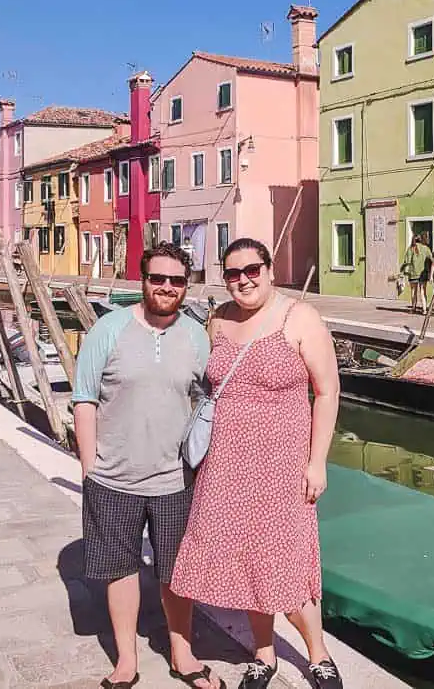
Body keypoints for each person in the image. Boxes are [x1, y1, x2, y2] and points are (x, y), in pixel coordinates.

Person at [172, 238, 343, 689]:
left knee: (285, 559)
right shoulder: (218, 321)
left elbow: (327, 392)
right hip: (225, 464)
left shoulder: (299, 317)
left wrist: (317, 463)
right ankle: (263, 654)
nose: (243, 280)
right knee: (247, 561)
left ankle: (319, 654)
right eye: (232, 273)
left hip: (281, 465)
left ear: (269, 269)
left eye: (252, 269)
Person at [72, 243, 220, 689]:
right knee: (120, 568)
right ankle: (126, 660)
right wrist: (88, 467)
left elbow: (213, 398)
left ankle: (183, 652)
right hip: (113, 477)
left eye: (176, 281)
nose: (167, 288)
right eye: (158, 278)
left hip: (176, 479)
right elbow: (84, 397)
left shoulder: (196, 337)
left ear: (186, 285)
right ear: (143, 279)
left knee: (178, 571)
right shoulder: (108, 329)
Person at [400, 233, 432, 314]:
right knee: (423, 291)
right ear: (421, 240)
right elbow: (432, 258)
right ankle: (424, 309)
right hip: (423, 273)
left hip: (413, 273)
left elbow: (407, 261)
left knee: (413, 291)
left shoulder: (410, 249)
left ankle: (413, 308)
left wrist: (403, 271)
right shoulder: (426, 248)